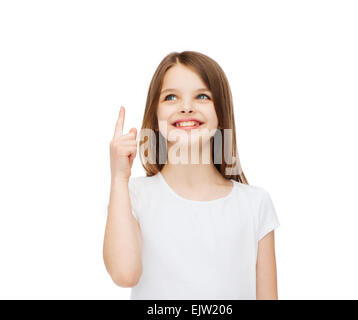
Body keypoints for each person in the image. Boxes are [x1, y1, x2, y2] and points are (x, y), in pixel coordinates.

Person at [103, 51, 280, 300]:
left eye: (202, 96)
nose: (186, 107)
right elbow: (124, 274)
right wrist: (118, 178)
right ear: (155, 115)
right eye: (171, 97)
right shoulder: (133, 196)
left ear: (221, 114)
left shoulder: (255, 203)